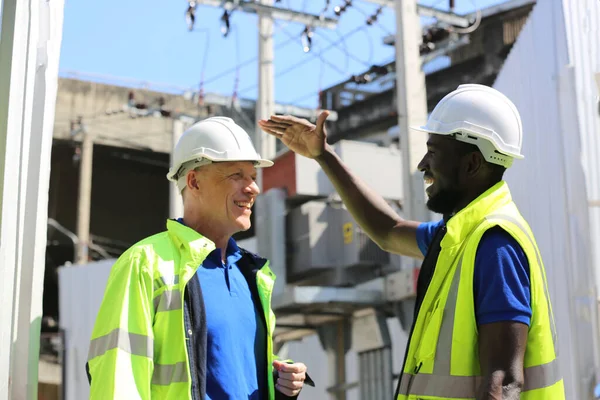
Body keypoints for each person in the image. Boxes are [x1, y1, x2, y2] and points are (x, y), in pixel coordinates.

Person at [258, 84, 564, 400]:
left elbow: (503, 384)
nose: (422, 165)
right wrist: (324, 155)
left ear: (472, 163)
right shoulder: (459, 236)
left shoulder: (495, 245)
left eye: (433, 152)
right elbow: (388, 230)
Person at [87, 116, 312, 400]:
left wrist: (279, 377)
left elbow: (227, 371)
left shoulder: (250, 274)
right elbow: (117, 381)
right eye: (236, 175)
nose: (253, 188)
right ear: (193, 181)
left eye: (253, 177)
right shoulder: (145, 263)